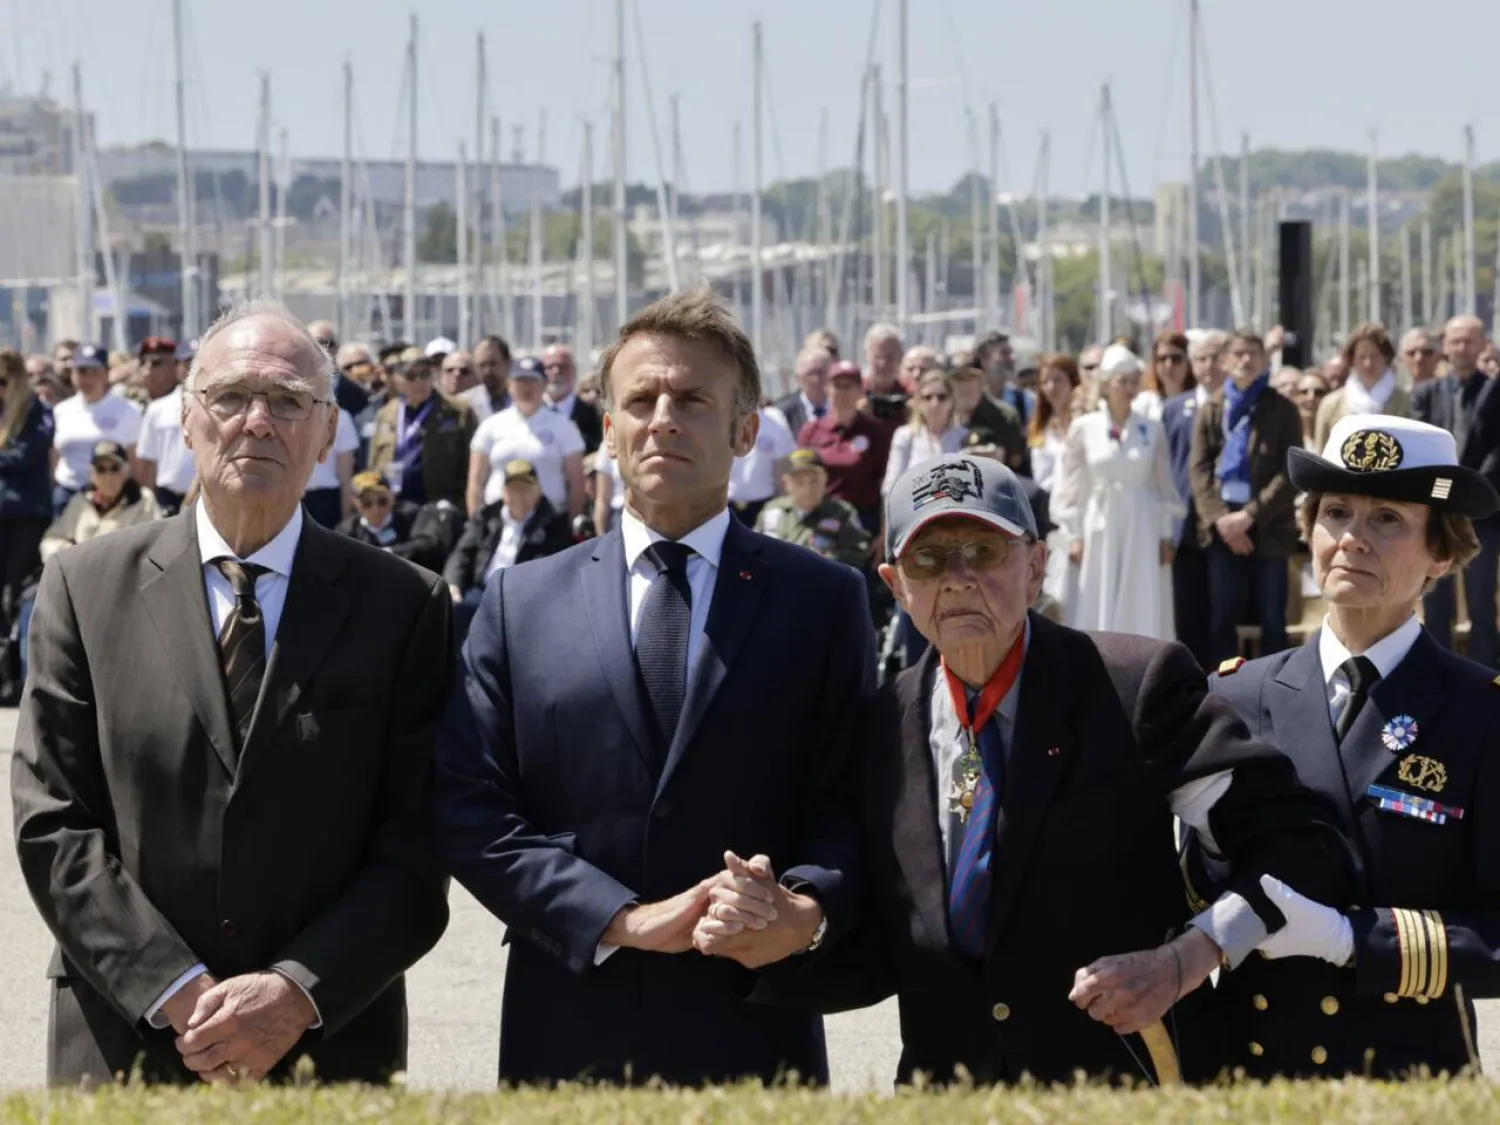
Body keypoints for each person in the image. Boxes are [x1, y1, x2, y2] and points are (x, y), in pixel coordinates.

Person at [717, 452, 1350, 1086]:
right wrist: (790, 931)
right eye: (929, 560)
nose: (958, 579)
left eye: (985, 552)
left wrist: (1185, 960)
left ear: (1036, 567)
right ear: (896, 586)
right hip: (952, 1096)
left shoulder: (1133, 688)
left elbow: (1293, 846)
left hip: (1120, 1086)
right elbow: (896, 950)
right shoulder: (883, 726)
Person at [434, 287, 875, 1087]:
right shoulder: (518, 603)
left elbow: (853, 798)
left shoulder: (823, 600)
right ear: (607, 430)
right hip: (567, 1028)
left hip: (752, 1026)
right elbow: (470, 807)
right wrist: (619, 918)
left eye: (693, 399)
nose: (663, 416)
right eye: (640, 398)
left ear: (746, 432)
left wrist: (805, 910)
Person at [12, 299, 452, 1086]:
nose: (258, 421)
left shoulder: (405, 607)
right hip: (126, 1039)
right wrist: (175, 989)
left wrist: (293, 992)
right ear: (185, 420)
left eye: (289, 401)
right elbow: (54, 823)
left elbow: (417, 845)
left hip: (326, 1043)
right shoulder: (84, 586)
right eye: (231, 397)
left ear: (325, 435)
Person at [1189, 414, 1500, 1079]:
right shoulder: (1237, 696)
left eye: (1388, 518)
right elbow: (1185, 895)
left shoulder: (1481, 712)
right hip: (1253, 1073)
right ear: (1308, 530)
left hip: (1408, 1079)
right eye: (1336, 511)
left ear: (1443, 554)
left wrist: (1352, 940)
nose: (1353, 538)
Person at [1054, 345, 1182, 640]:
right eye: (1121, 381)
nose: (1128, 388)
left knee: (1141, 593)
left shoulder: (1151, 428)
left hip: (1142, 522)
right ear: (1107, 383)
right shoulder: (1085, 427)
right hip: (1100, 523)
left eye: (1133, 380)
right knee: (1098, 593)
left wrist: (1165, 534)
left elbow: (1162, 485)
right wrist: (1073, 534)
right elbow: (1071, 487)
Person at [1191, 330, 1303, 664]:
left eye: (1253, 353)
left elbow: (1290, 471)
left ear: (1264, 359)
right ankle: (1225, 690)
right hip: (1223, 527)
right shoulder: (1212, 408)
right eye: (1238, 353)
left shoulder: (1282, 408)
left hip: (1269, 525)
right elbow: (1199, 468)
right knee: (1223, 617)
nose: (1245, 359)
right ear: (1224, 360)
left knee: (1273, 617)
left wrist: (1249, 515)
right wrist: (1222, 520)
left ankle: (1277, 691)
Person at [1413, 315, 1500, 664]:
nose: (1462, 347)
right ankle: (1437, 675)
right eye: (1455, 340)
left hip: (1484, 512)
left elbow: (1498, 451)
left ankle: (1487, 681)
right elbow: (1422, 449)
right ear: (1444, 346)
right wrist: (1447, 495)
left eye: (1469, 340)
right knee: (1436, 600)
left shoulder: (1495, 391)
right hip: (1436, 511)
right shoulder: (1426, 394)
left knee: (1482, 601)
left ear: (1482, 344)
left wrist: (1470, 493)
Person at [443, 458, 573, 639]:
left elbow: (554, 567)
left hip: (523, 599)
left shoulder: (553, 522)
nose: (519, 495)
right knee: (449, 616)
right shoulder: (487, 516)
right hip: (482, 592)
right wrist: (453, 584)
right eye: (513, 489)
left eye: (525, 488)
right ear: (504, 493)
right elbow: (463, 552)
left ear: (538, 491)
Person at [1162, 332, 1226, 669]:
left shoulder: (1238, 406)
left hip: (1225, 524)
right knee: (1187, 612)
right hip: (1183, 526)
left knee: (1221, 614)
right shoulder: (1172, 409)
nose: (1209, 366)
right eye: (1201, 359)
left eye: (1215, 357)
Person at [467, 356, 587, 519]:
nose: (526, 387)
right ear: (509, 385)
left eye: (533, 381)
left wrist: (574, 523)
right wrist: (476, 524)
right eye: (520, 381)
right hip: (497, 517)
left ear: (544, 385)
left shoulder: (564, 426)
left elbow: (576, 483)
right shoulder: (491, 425)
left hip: (549, 519)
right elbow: (476, 483)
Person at [0, 351, 54, 703]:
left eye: (3, 381)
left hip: (24, 517)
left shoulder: (36, 410)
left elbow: (27, 455)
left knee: (10, 595)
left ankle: (10, 678)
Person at [368, 356, 477, 510]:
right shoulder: (385, 414)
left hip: (437, 505)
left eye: (425, 374)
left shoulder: (457, 412)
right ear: (398, 381)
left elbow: (470, 465)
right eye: (411, 376)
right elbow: (374, 461)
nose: (419, 382)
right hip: (391, 506)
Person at [50, 344, 142, 517]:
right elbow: (54, 456)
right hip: (68, 492)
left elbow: (134, 459)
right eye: (82, 371)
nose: (88, 378)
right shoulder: (61, 411)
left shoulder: (128, 410)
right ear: (73, 375)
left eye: (95, 371)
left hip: (112, 496)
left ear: (106, 374)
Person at [799, 360, 890, 534]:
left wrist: (884, 531)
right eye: (838, 385)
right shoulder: (811, 431)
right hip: (819, 519)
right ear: (827, 388)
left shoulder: (875, 431)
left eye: (850, 386)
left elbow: (885, 483)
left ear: (860, 390)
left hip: (862, 521)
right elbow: (798, 478)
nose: (843, 392)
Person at [40, 439, 162, 561]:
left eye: (115, 468)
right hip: (80, 571)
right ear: (92, 474)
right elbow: (53, 538)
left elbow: (154, 543)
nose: (108, 476)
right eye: (101, 469)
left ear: (126, 471)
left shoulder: (143, 501)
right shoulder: (81, 501)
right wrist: (66, 555)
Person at [755, 448, 871, 570]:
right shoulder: (772, 511)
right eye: (800, 481)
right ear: (787, 483)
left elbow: (858, 551)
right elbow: (755, 547)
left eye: (814, 480)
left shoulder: (842, 513)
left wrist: (820, 567)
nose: (807, 488)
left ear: (825, 479)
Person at [1312, 324, 1411, 452]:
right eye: (1361, 357)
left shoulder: (1405, 402)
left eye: (1374, 357)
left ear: (1386, 358)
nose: (1368, 364)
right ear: (1351, 360)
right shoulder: (1330, 405)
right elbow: (1320, 453)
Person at [335, 470, 454, 573]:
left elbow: (429, 543)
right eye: (367, 503)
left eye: (382, 501)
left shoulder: (411, 515)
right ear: (356, 504)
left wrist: (391, 553)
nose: (375, 508)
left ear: (392, 497)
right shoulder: (347, 530)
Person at [880, 366, 967, 501]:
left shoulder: (964, 437)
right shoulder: (905, 436)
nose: (935, 403)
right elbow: (891, 486)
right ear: (918, 402)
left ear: (951, 401)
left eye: (941, 397)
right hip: (914, 509)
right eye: (927, 397)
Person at [136, 341, 198, 514]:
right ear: (176, 367)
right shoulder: (158, 408)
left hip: (204, 495)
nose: (193, 369)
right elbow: (147, 462)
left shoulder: (218, 407)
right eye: (188, 363)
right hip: (165, 497)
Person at [728, 401, 796, 527]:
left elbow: (783, 472)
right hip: (726, 507)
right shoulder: (718, 424)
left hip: (763, 506)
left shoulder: (775, 426)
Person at [950, 364, 1026, 476]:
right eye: (959, 379)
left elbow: (1016, 461)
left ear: (982, 382)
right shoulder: (942, 413)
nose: (965, 386)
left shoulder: (1004, 415)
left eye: (971, 379)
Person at [300, 405, 359, 528]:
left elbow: (346, 476)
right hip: (295, 498)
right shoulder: (287, 412)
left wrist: (346, 519)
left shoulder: (341, 418)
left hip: (328, 501)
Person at [542, 344, 605, 454]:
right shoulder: (529, 412)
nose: (556, 371)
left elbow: (602, 448)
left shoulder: (594, 412)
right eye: (550, 367)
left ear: (574, 371)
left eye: (563, 366)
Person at [1135, 330, 1195, 421]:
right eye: (1162, 359)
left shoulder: (1199, 401)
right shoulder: (1144, 405)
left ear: (1188, 363)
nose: (1169, 365)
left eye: (1176, 359)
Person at [775, 346, 831, 437]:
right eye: (811, 373)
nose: (816, 380)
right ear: (798, 378)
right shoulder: (783, 413)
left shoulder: (842, 409)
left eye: (821, 372)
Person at [1293, 369, 1332, 447]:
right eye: (1304, 392)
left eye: (1318, 392)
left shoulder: (1335, 437)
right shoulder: (1283, 435)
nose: (1311, 398)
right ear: (1294, 396)